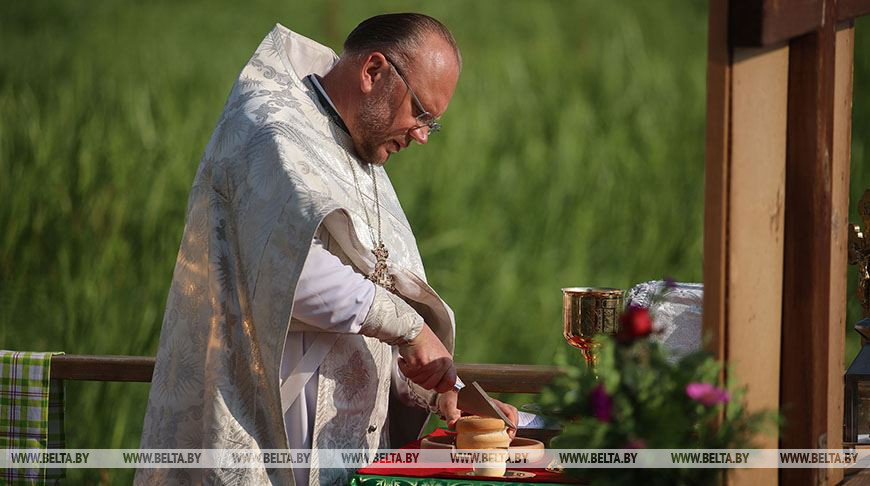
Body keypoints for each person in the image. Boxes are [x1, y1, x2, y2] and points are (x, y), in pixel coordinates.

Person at [136, 13, 517, 486]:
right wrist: (412, 330)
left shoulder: (360, 151)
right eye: (420, 111)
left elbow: (371, 303)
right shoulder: (270, 128)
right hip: (269, 441)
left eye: (431, 124)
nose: (421, 134)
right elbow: (291, 273)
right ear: (374, 71)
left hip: (351, 457)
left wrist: (437, 390)